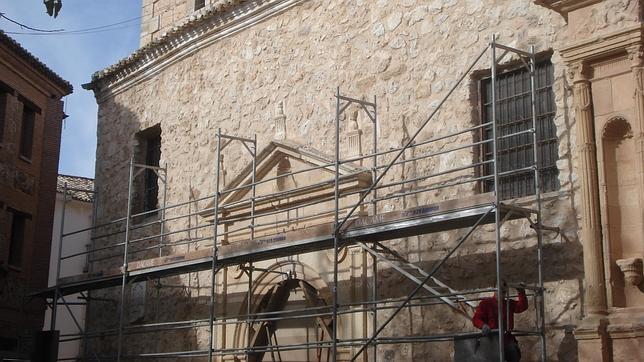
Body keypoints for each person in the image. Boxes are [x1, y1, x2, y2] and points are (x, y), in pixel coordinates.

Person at [472, 280, 527, 362]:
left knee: (514, 356)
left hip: (507, 339)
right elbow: (476, 319)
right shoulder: (485, 304)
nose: (503, 291)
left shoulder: (509, 303)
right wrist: (483, 325)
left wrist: (521, 292)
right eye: (500, 288)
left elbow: (522, 306)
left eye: (504, 289)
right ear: (494, 289)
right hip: (492, 339)